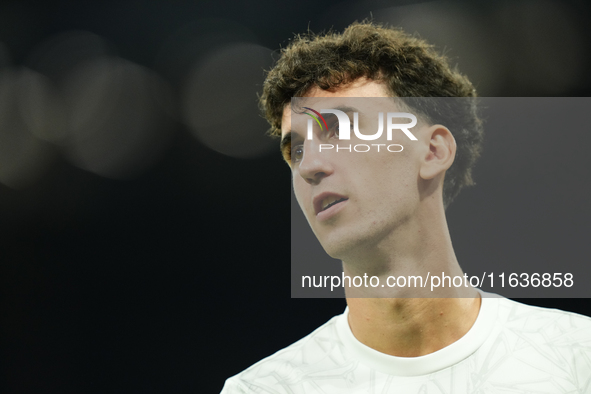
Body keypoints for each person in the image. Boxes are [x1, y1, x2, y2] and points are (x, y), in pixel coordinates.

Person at [221, 22, 591, 393]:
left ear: (433, 152)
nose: (310, 166)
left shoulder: (577, 357)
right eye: (296, 149)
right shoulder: (262, 389)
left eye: (341, 129)